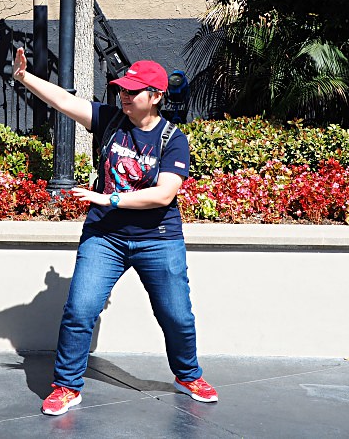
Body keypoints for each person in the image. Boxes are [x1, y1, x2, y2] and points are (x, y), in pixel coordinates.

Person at [12, 49, 218, 416]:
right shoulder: (109, 120)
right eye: (122, 89)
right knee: (79, 310)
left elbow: (164, 194)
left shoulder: (173, 139)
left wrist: (109, 199)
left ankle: (188, 375)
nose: (123, 95)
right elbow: (63, 100)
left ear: (155, 97)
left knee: (176, 315)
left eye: (133, 91)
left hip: (158, 239)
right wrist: (24, 77)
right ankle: (66, 386)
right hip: (105, 238)